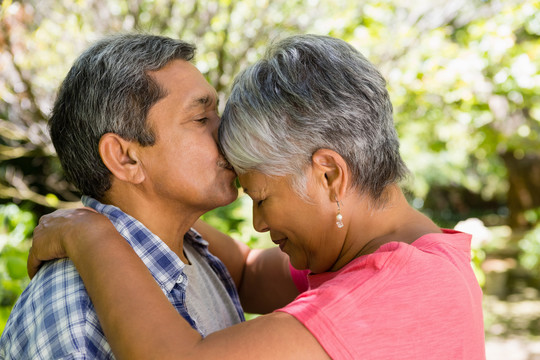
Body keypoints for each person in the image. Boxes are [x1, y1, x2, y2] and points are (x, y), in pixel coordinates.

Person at [28, 34, 486, 359]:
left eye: (262, 198)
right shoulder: (418, 254)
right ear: (126, 158)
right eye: (199, 119)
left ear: (329, 176)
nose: (259, 224)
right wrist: (156, 213)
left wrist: (91, 233)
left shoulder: (386, 294)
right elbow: (248, 271)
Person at [0, 34, 302, 359]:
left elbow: (252, 270)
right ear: (125, 158)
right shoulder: (77, 311)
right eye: (201, 119)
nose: (228, 130)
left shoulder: (189, 248)